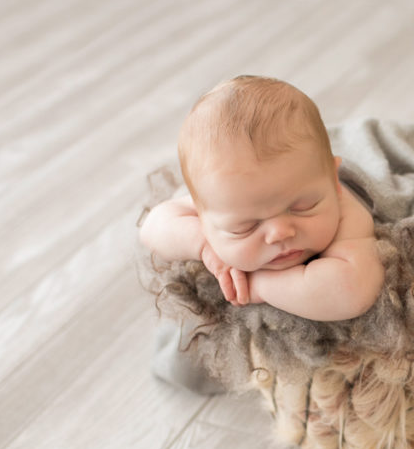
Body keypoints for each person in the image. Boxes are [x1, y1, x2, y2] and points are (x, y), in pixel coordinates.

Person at [140, 75, 384, 322]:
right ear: (204, 217)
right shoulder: (227, 198)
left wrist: (258, 285)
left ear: (333, 180)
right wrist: (204, 247)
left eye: (303, 207)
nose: (279, 233)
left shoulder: (345, 212)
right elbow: (152, 227)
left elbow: (351, 292)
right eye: (244, 227)